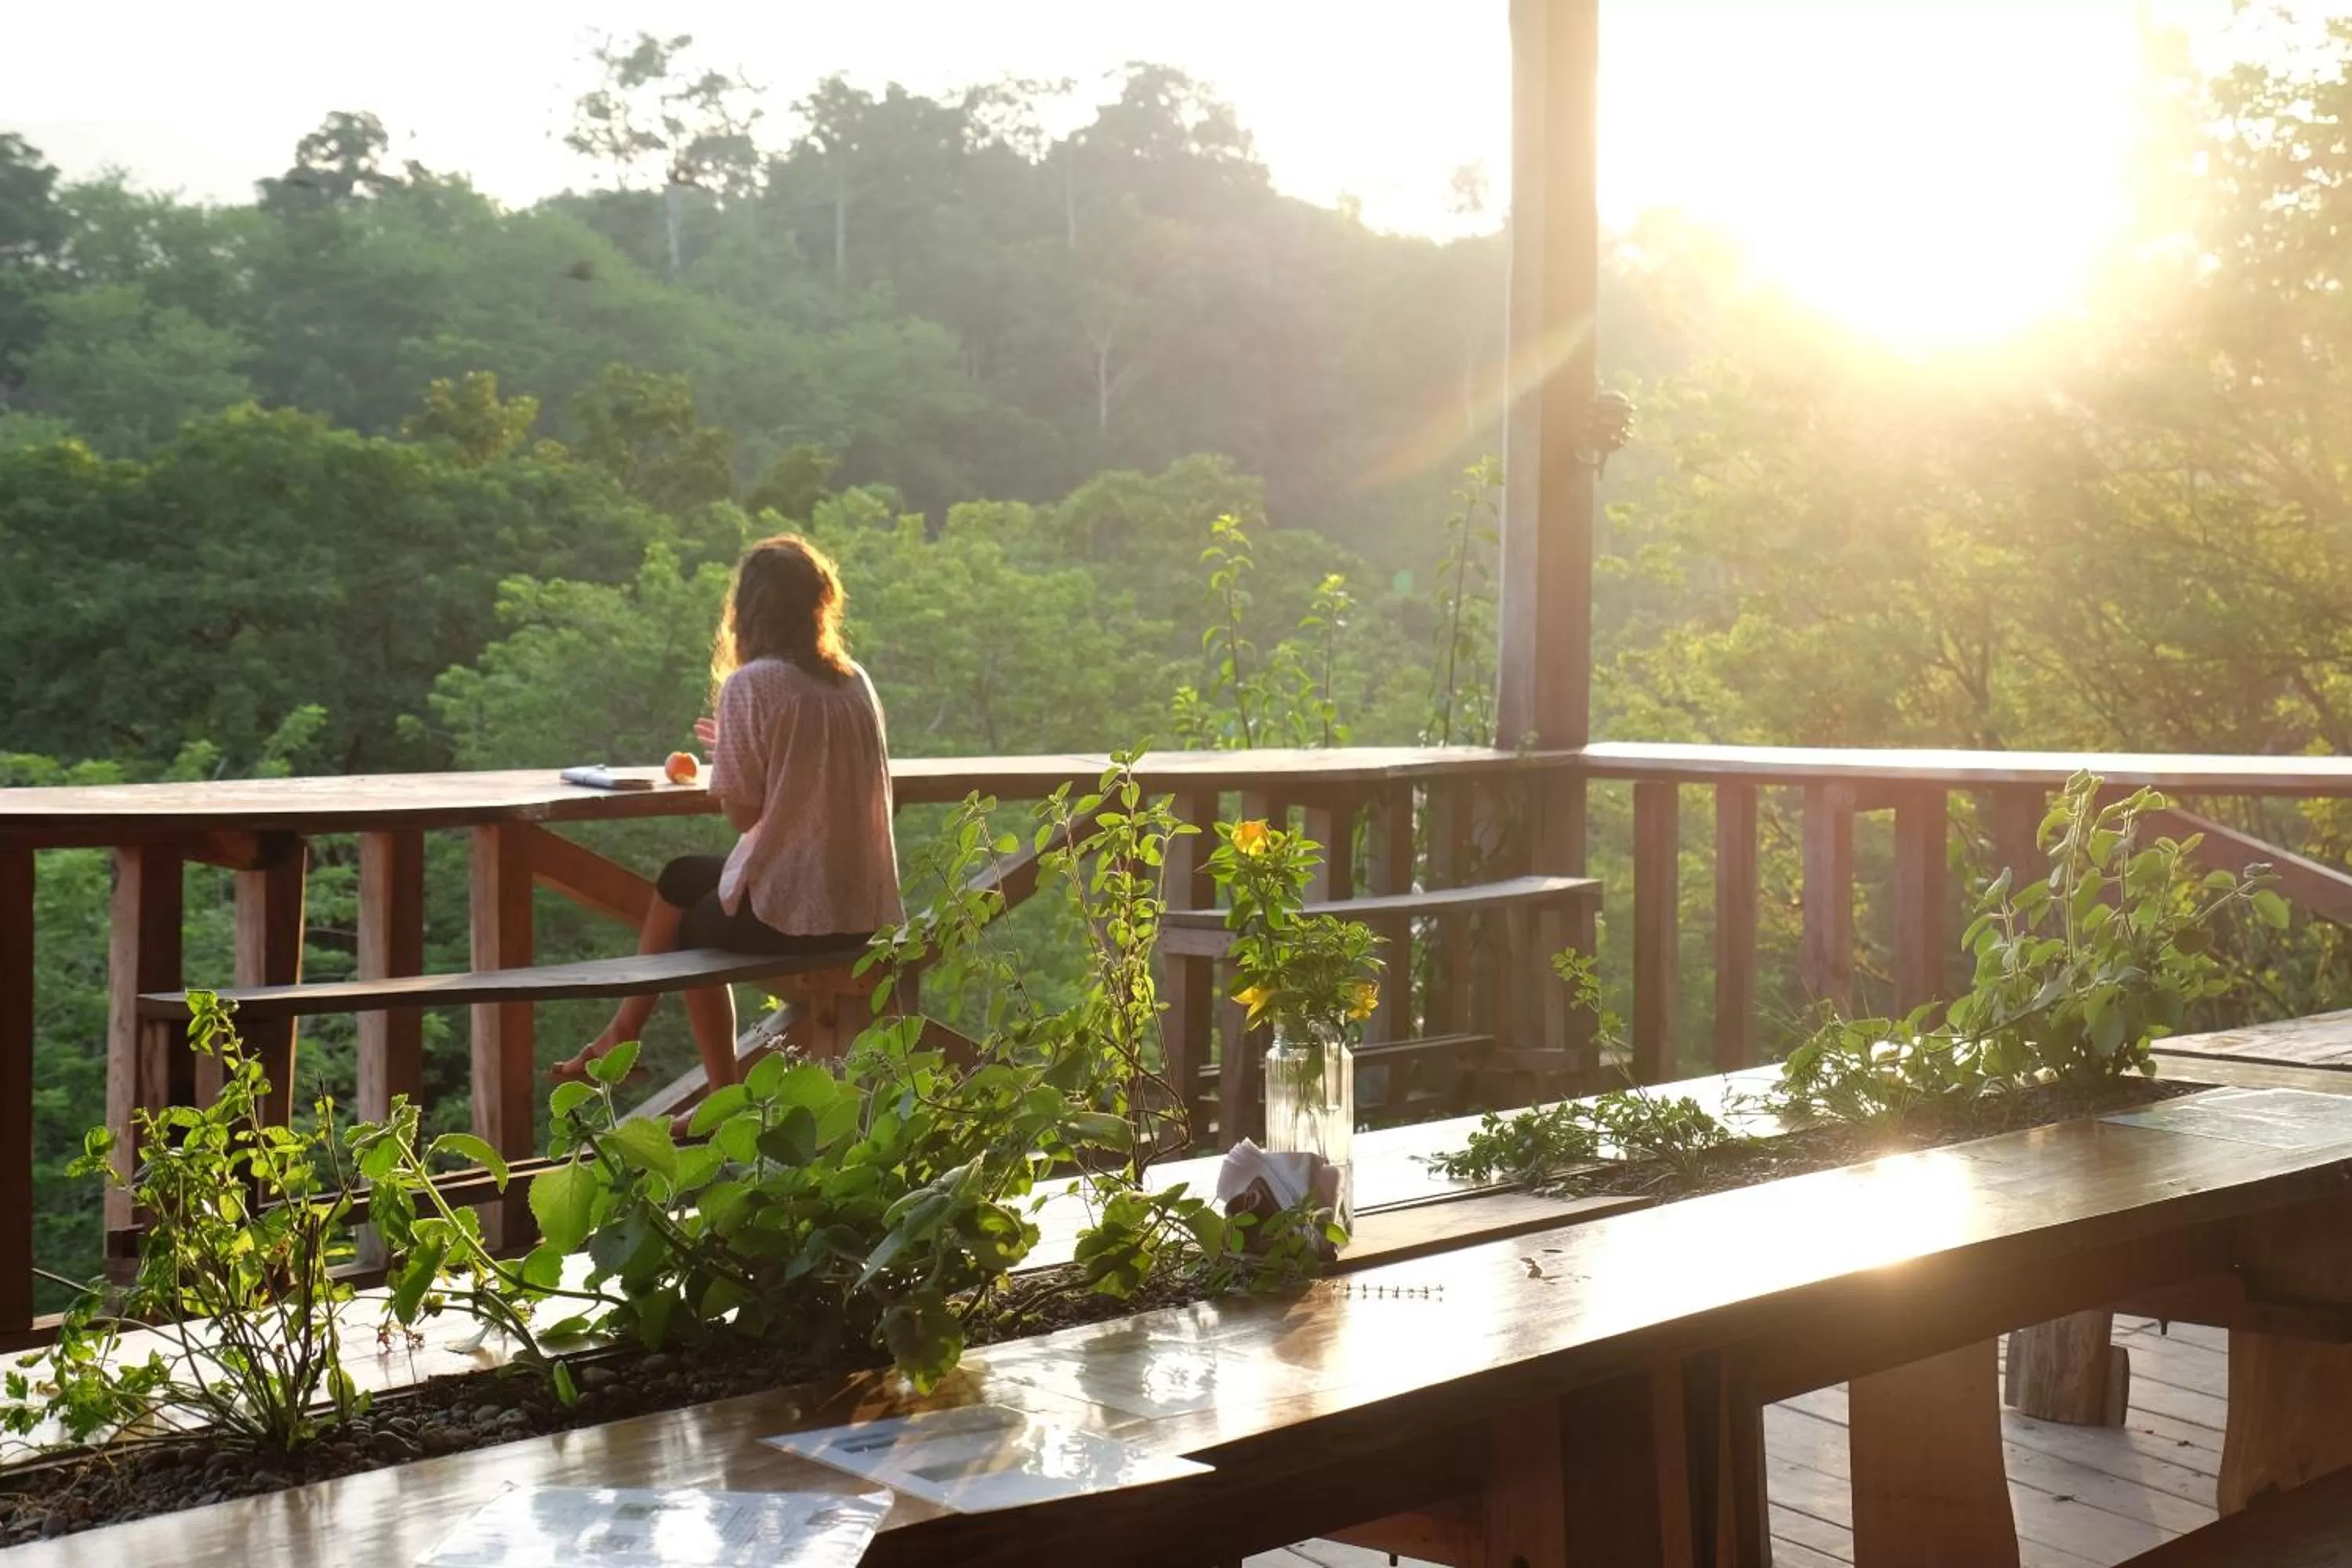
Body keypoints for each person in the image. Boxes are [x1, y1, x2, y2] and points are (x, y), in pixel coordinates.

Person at [551, 534, 903, 1133]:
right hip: (864, 909)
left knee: (689, 929)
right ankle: (623, 1034)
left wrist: (736, 758)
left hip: (795, 914)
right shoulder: (855, 681)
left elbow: (743, 813)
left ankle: (721, 1098)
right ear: (820, 604)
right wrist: (744, 746)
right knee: (683, 877)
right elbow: (804, 764)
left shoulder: (754, 683)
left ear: (748, 609)